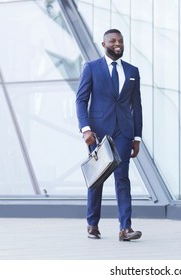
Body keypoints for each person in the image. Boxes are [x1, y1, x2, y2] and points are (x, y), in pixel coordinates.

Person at [76, 29, 143, 241]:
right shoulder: (91, 68)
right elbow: (81, 100)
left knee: (122, 178)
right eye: (113, 41)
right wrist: (85, 128)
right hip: (97, 133)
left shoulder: (132, 71)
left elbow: (137, 106)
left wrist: (137, 137)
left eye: (121, 41)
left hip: (124, 132)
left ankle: (125, 228)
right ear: (104, 44)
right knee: (98, 178)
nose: (118, 44)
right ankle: (92, 224)